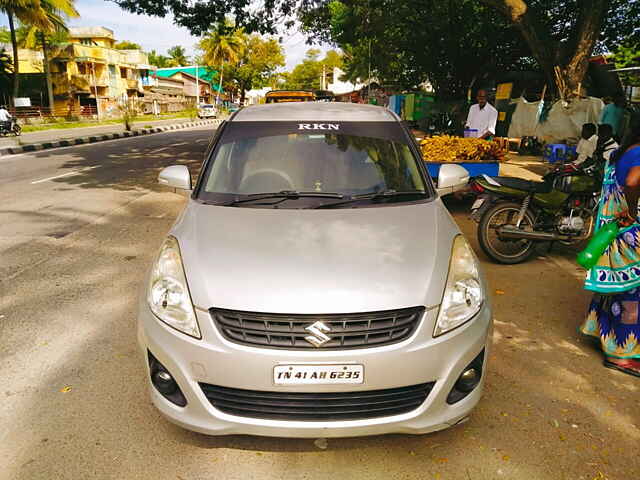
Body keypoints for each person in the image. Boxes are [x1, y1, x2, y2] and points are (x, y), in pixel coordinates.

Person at [582, 114, 640, 377]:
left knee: (616, 286)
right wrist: (632, 209)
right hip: (628, 231)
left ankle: (598, 330)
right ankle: (621, 354)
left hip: (613, 231)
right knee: (633, 290)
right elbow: (632, 182)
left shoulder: (622, 152)